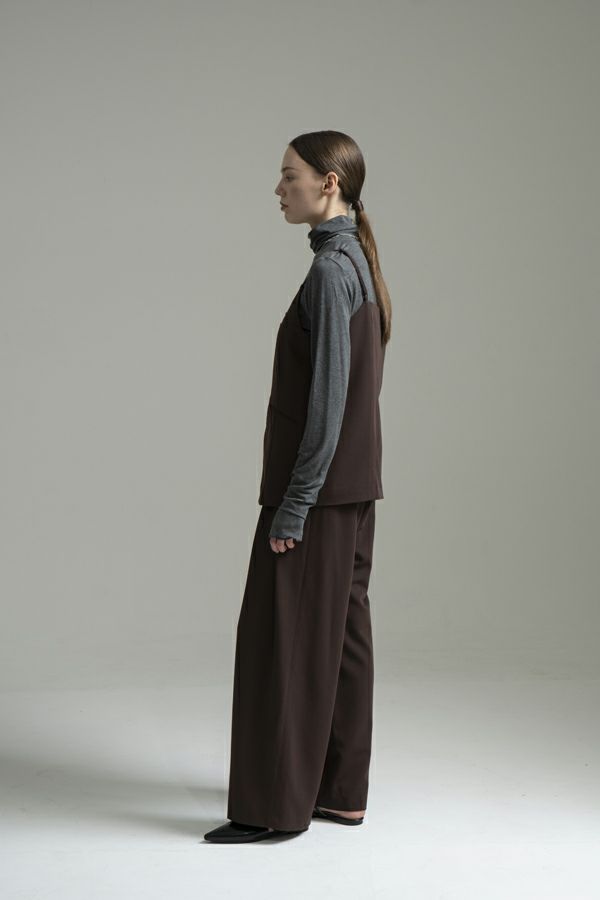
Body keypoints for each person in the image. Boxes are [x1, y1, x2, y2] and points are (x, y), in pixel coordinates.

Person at [204, 130, 392, 843]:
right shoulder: (356, 262)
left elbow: (328, 402)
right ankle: (340, 793)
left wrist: (296, 504)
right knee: (340, 639)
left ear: (328, 184)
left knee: (281, 644)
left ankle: (273, 809)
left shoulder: (331, 272)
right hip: (354, 488)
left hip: (318, 494)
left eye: (290, 176)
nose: (279, 189)